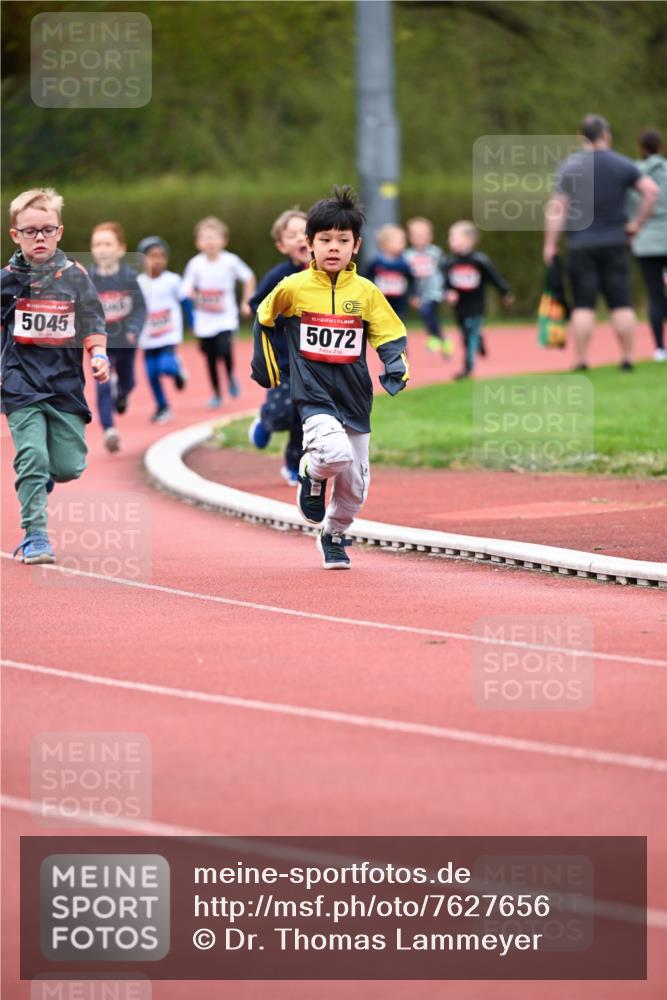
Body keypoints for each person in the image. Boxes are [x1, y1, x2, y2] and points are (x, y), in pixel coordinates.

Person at [251, 186, 409, 570]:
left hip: (355, 396)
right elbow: (265, 316)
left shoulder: (367, 292)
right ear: (309, 245)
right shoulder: (293, 287)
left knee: (355, 488)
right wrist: (268, 365)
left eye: (343, 240)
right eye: (325, 240)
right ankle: (310, 471)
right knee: (333, 453)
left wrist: (395, 364)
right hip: (314, 394)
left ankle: (334, 534)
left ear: (356, 246)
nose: (333, 247)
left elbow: (388, 332)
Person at [1, 187, 110, 564]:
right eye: (30, 231)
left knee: (68, 466)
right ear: (15, 235)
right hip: (19, 383)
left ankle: (44, 475)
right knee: (31, 456)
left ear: (59, 232)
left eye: (47, 229)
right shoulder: (7, 282)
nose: (40, 237)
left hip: (64, 385)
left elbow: (93, 319)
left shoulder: (75, 276)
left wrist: (98, 354)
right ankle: (35, 536)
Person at [544, 113, 659, 371]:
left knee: (584, 304)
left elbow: (556, 208)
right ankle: (628, 358)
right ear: (607, 135)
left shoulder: (569, 167)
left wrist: (550, 244)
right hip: (616, 240)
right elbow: (651, 191)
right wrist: (636, 225)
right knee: (621, 303)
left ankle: (582, 359)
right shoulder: (622, 164)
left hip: (580, 243)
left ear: (580, 138)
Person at [247, 209, 310, 485]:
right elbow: (255, 303)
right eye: (292, 234)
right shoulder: (280, 276)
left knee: (303, 420)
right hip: (282, 360)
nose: (300, 238)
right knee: (283, 412)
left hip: (312, 362)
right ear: (282, 246)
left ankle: (293, 465)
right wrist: (277, 314)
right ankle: (266, 421)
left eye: (304, 232)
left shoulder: (326, 275)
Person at [181, 216, 255, 408]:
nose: (210, 241)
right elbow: (186, 288)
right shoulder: (195, 264)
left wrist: (246, 301)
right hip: (204, 321)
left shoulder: (230, 261)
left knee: (225, 349)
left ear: (224, 240)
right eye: (205, 238)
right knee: (211, 358)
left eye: (214, 237)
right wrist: (191, 293)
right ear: (198, 243)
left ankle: (230, 376)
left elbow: (248, 277)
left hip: (225, 318)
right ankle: (216, 392)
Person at [89, 221, 146, 452]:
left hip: (126, 342)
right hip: (100, 343)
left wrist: (133, 328)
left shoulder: (129, 277)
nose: (102, 249)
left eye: (107, 244)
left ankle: (122, 395)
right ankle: (109, 430)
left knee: (128, 381)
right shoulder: (88, 279)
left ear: (121, 249)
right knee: (102, 383)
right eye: (97, 244)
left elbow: (141, 308)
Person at [443, 220, 513, 379]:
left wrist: (505, 292)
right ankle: (479, 339)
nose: (450, 241)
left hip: (476, 306)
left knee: (469, 336)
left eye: (454, 237)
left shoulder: (479, 261)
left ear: (469, 240)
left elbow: (494, 278)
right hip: (460, 307)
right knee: (465, 334)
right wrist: (448, 292)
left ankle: (468, 368)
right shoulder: (450, 262)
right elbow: (445, 282)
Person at [136, 236, 188, 422]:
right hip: (148, 337)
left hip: (168, 334)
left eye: (160, 256)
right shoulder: (139, 283)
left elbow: (185, 301)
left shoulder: (172, 280)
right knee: (151, 373)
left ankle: (177, 371)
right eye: (151, 256)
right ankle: (162, 406)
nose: (156, 261)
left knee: (165, 366)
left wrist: (193, 321)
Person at [629, 128, 667, 362]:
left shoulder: (633, 174)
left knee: (655, 295)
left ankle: (659, 349)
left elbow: (629, 207)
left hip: (645, 242)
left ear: (641, 148)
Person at [404, 216, 453, 357]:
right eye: (416, 236)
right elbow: (408, 278)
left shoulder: (435, 252)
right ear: (410, 237)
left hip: (434, 290)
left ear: (430, 236)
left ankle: (434, 338)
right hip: (419, 292)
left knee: (427, 312)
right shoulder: (408, 255)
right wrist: (412, 294)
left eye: (422, 235)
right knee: (429, 317)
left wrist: (447, 289)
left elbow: (445, 271)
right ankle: (442, 339)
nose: (419, 239)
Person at [364, 224, 414, 321]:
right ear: (385, 244)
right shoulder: (376, 262)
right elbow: (366, 278)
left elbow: (411, 279)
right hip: (380, 300)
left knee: (399, 321)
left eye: (403, 241)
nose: (403, 244)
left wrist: (412, 294)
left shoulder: (404, 263)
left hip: (399, 302)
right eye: (399, 241)